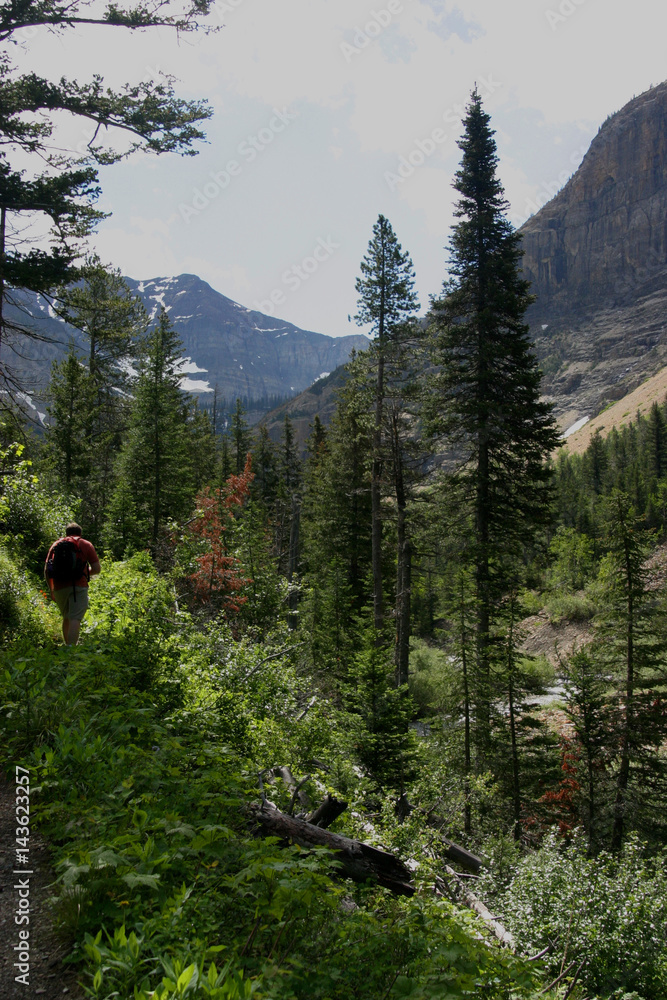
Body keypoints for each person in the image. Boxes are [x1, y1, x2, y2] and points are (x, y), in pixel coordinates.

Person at [44, 523, 101, 646]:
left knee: (66, 617)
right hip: (79, 585)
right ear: (80, 533)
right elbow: (97, 568)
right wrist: (84, 574)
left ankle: (67, 647)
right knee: (75, 618)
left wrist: (51, 589)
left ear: (66, 533)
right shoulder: (85, 544)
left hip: (59, 586)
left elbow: (47, 570)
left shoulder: (56, 545)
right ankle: (71, 649)